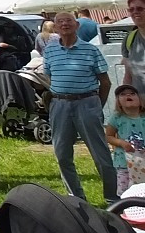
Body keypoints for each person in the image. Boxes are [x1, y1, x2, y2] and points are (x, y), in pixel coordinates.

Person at [43, 11, 118, 204]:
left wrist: (96, 106)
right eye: (60, 22)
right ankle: (76, 199)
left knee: (100, 154)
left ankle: (112, 198)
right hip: (59, 105)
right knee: (62, 154)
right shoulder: (50, 50)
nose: (65, 24)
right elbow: (50, 76)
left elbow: (106, 82)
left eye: (69, 21)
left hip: (87, 103)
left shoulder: (90, 50)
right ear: (56, 27)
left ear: (77, 26)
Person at [105, 84, 145, 195]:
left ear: (140, 99)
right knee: (126, 191)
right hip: (124, 162)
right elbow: (108, 136)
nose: (128, 95)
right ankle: (126, 208)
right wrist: (121, 142)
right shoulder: (117, 118)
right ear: (118, 102)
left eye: (132, 93)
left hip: (143, 162)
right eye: (123, 94)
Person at [121, 0, 145, 97]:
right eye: (131, 9)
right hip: (140, 104)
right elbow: (128, 75)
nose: (135, 12)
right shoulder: (129, 39)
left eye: (139, 9)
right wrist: (124, 96)